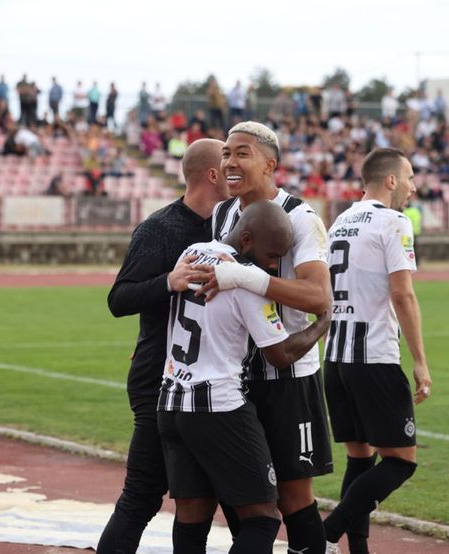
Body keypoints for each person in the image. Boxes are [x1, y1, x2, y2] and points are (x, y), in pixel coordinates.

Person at [159, 200, 331, 554]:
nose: (273, 267)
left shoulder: (193, 252)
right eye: (272, 255)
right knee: (263, 517)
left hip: (172, 401)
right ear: (248, 238)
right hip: (219, 407)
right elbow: (279, 355)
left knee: (192, 515)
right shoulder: (246, 281)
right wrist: (322, 324)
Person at [198, 121, 334, 554]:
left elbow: (318, 297)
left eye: (242, 153)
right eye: (226, 154)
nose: (230, 163)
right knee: (247, 498)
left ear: (269, 164)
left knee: (294, 498)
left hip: (290, 375)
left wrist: (247, 276)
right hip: (235, 376)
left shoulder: (301, 216)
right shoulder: (222, 213)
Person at [98, 138, 229, 554]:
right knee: (142, 495)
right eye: (227, 162)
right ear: (212, 174)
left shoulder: (230, 226)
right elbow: (119, 298)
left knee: (207, 500)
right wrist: (168, 283)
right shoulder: (160, 227)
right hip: (159, 379)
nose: (235, 169)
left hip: (210, 381)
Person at [321, 148, 431, 553]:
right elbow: (402, 294)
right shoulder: (394, 222)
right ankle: (325, 535)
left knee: (360, 459)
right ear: (390, 181)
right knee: (401, 461)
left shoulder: (339, 222)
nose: (413, 186)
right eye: (409, 177)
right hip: (374, 357)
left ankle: (356, 551)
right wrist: (420, 360)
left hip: (336, 356)